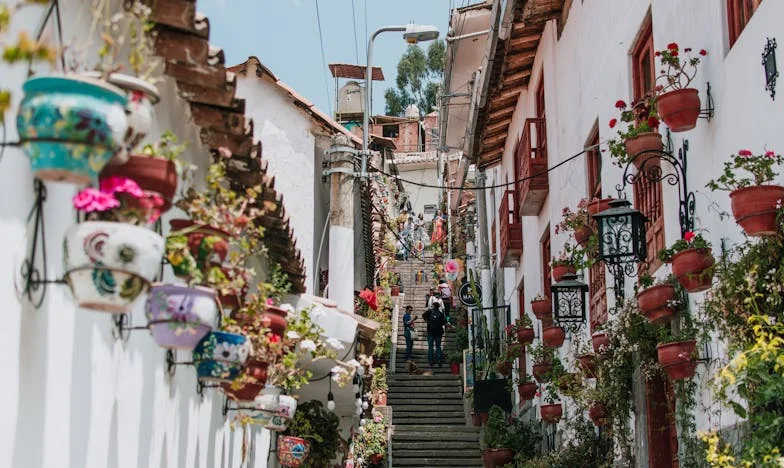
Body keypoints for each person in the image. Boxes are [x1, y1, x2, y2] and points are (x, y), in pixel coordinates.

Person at [423, 302, 447, 367]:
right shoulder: (441, 314)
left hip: (430, 331)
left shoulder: (429, 312)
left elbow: (423, 316)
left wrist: (427, 321)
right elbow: (444, 322)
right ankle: (439, 361)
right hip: (439, 332)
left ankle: (431, 361)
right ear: (439, 307)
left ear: (433, 306)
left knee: (430, 347)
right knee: (438, 347)